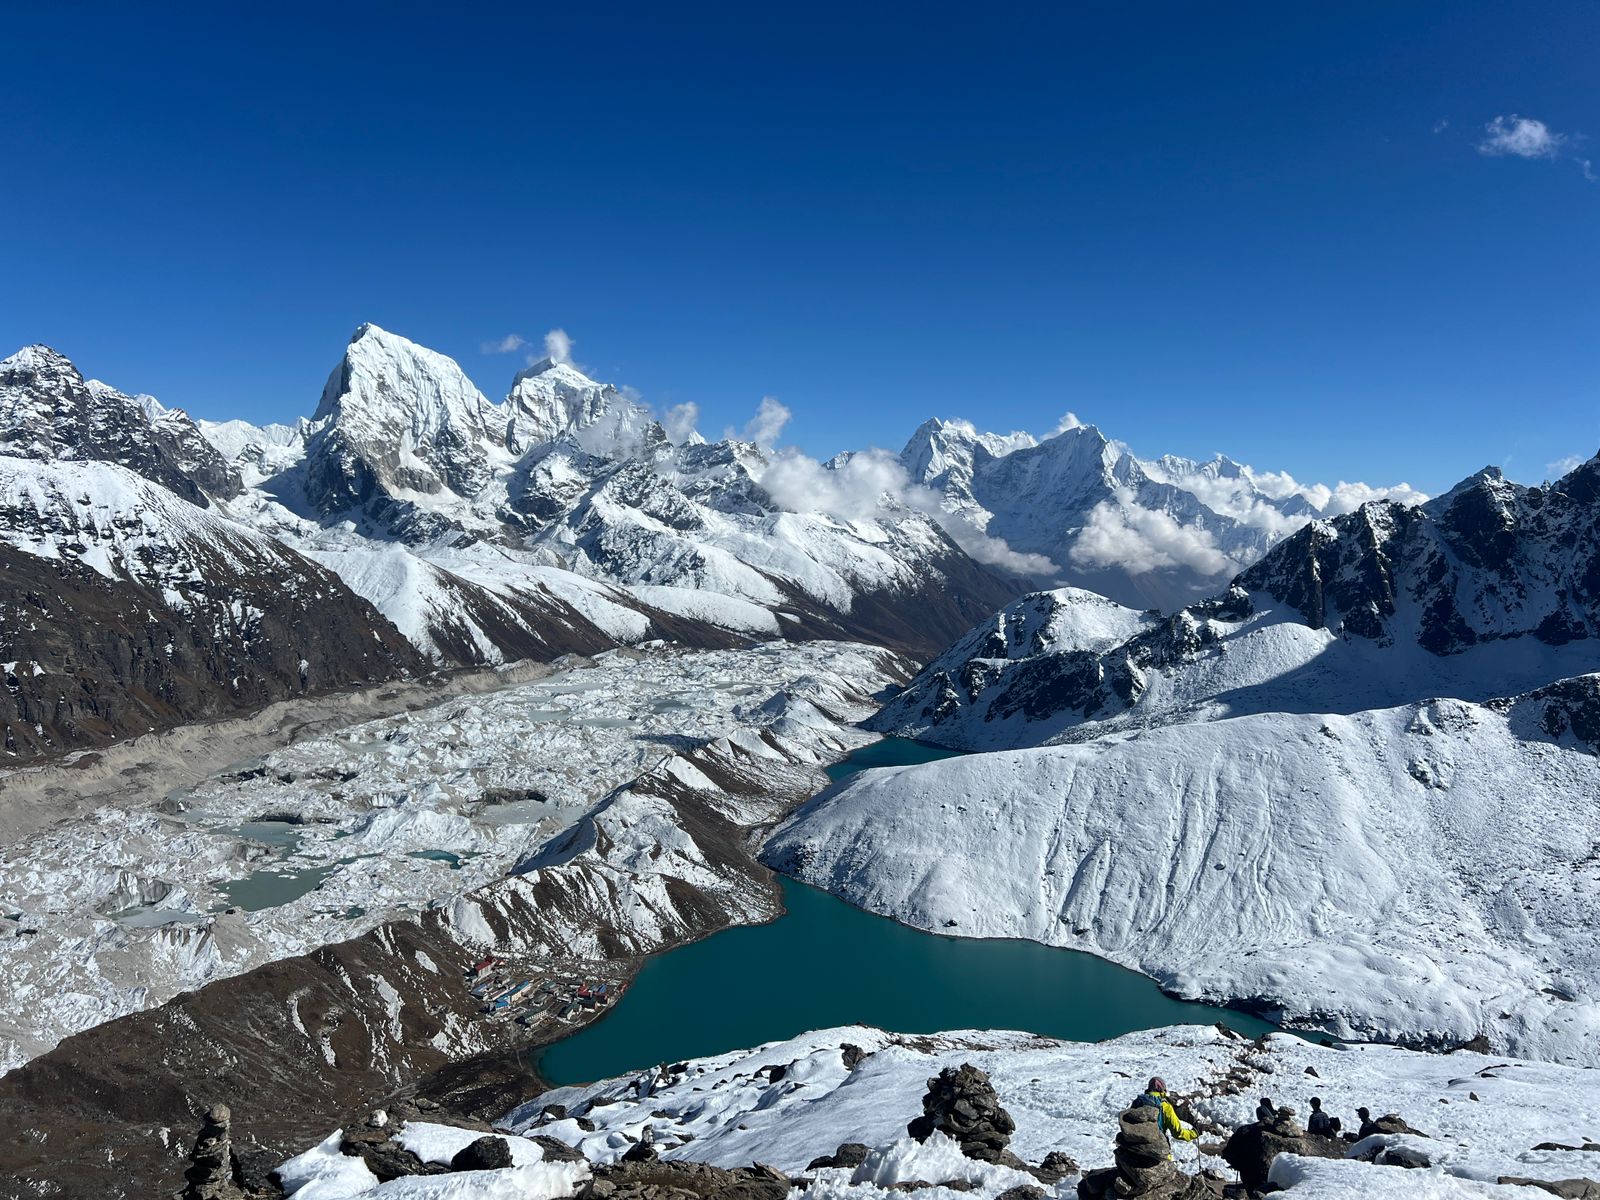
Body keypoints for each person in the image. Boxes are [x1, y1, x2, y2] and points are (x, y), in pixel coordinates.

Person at [1133, 1077, 1198, 1143]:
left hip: (1133, 1147)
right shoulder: (1165, 1106)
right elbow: (1177, 1133)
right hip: (1156, 1146)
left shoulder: (1138, 1102)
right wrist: (1195, 1133)